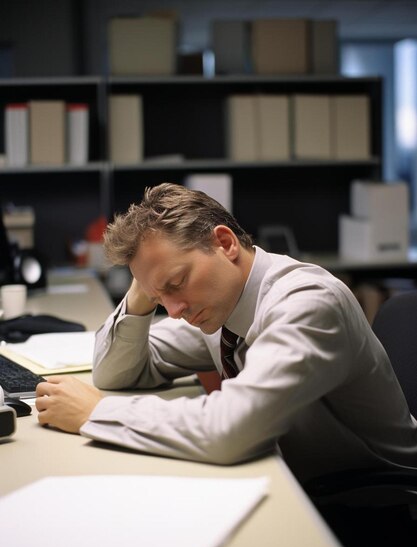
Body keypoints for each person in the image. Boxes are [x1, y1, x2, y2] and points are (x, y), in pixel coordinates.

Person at [36, 183, 417, 482]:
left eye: (178, 282)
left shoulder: (307, 304)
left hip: (377, 508)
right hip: (302, 483)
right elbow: (117, 372)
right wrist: (148, 284)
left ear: (225, 243)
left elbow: (232, 429)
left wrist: (97, 412)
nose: (174, 311)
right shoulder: (220, 307)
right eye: (160, 298)